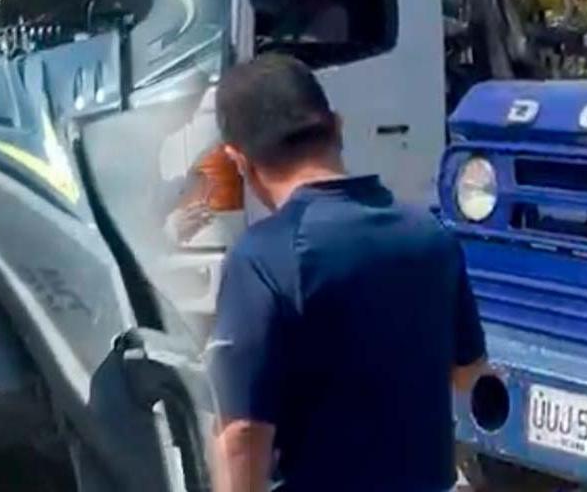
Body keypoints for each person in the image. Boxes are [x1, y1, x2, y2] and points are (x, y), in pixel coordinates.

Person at [206, 54, 489, 492]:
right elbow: (469, 373)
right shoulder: (429, 235)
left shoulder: (262, 258)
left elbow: (243, 436)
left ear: (239, 162)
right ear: (337, 126)